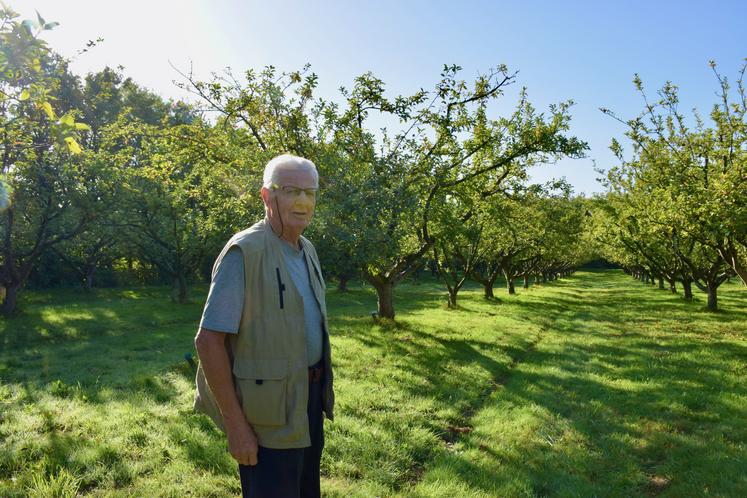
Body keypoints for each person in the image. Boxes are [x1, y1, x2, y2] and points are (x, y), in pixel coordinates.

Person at [193, 154, 334, 498]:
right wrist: (236, 426)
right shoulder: (245, 251)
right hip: (265, 414)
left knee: (305, 491)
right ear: (267, 196)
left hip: (308, 399)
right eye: (290, 191)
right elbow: (208, 341)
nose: (302, 202)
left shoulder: (308, 249)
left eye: (310, 193)